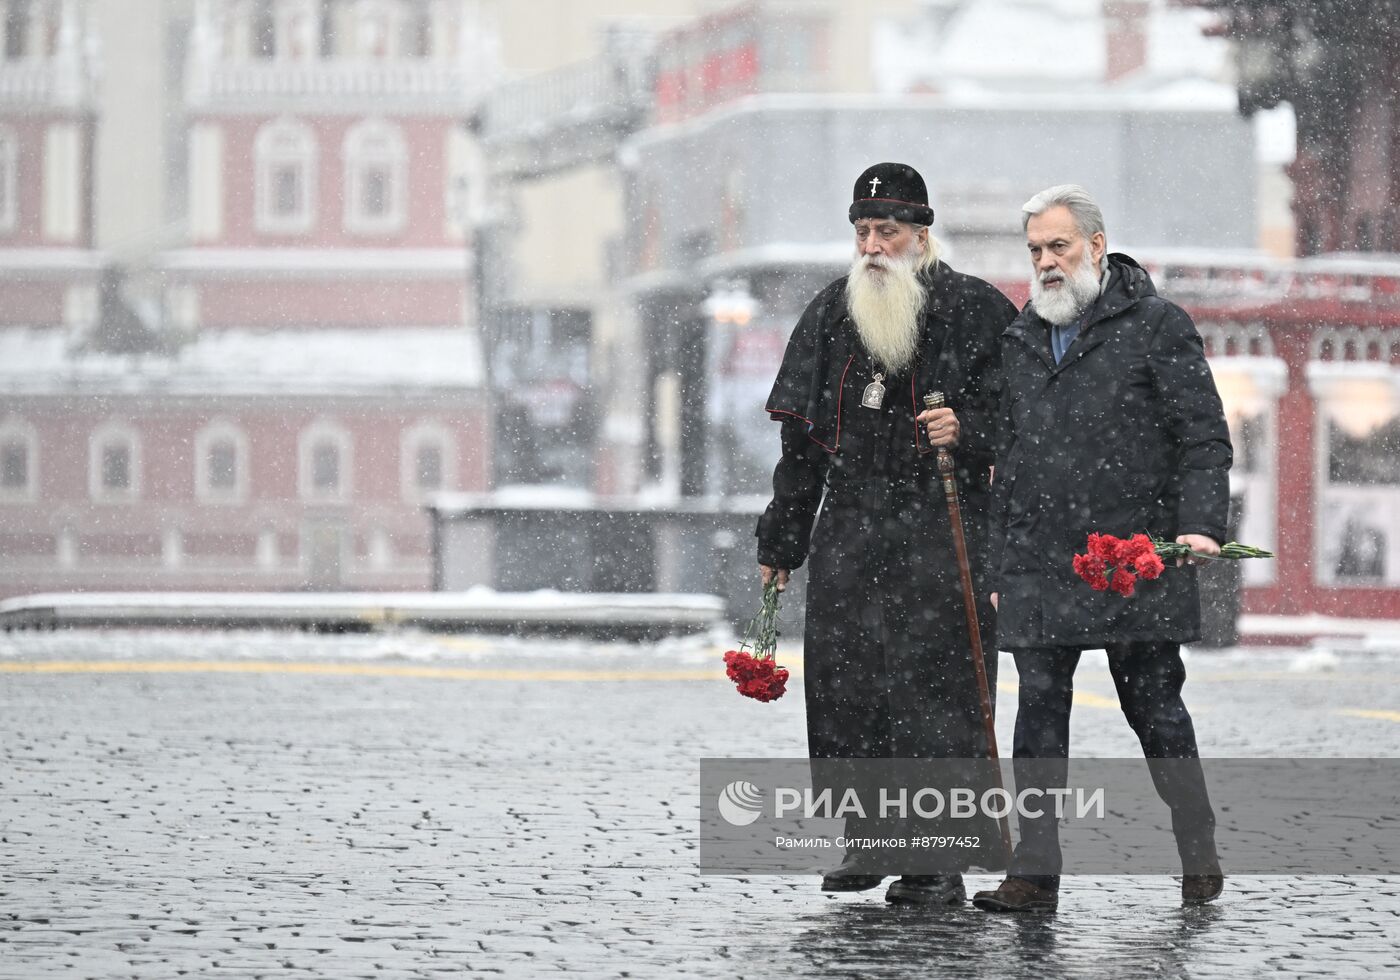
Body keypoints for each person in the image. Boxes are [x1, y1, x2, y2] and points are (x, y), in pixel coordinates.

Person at [757, 162, 1017, 906]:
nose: (873, 246)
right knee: (848, 687)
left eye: (889, 231)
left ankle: (936, 859)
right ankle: (865, 839)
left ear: (922, 235)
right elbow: (801, 449)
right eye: (864, 231)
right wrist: (782, 542)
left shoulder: (974, 310)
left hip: (941, 524)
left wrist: (967, 430)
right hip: (850, 525)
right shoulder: (829, 314)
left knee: (935, 693)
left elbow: (1025, 423)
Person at [973, 184, 1232, 913]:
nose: (1046, 262)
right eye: (1034, 251)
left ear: (1095, 244)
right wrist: (999, 566)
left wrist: (1201, 526)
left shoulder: (1157, 326)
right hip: (1039, 561)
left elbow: (1203, 438)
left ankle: (1196, 842)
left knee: (1156, 713)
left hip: (1133, 556)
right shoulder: (1021, 338)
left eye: (1058, 246)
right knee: (1038, 719)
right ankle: (1034, 872)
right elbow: (1007, 460)